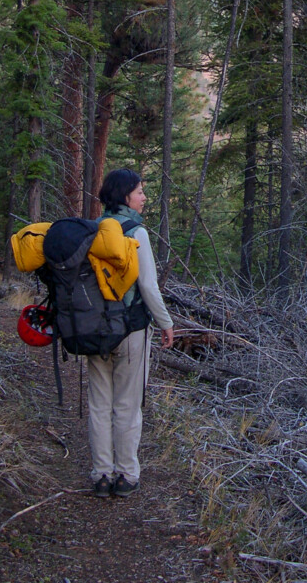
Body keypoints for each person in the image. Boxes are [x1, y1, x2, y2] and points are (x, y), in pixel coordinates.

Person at [88, 168, 174, 498]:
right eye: (139, 191)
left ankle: (101, 474)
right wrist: (165, 323)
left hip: (96, 329)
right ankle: (126, 474)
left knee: (99, 403)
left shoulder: (93, 230)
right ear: (125, 196)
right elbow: (148, 286)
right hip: (130, 330)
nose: (143, 197)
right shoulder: (136, 232)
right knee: (127, 404)